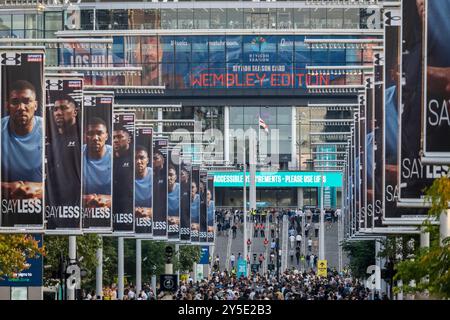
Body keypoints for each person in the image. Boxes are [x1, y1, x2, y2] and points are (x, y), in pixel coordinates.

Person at [2, 80, 43, 200]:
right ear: (7, 106)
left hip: (41, 210)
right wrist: (9, 188)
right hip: (5, 210)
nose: (21, 108)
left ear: (35, 105)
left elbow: (63, 182)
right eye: (15, 102)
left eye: (26, 101)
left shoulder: (49, 131)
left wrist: (39, 189)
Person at [46, 92, 81, 207]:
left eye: (64, 108)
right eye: (55, 109)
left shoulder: (82, 139)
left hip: (76, 205)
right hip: (54, 203)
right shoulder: (52, 141)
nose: (59, 113)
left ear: (75, 112)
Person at [82, 117, 112, 208]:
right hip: (83, 210)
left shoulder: (114, 156)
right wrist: (85, 199)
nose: (95, 138)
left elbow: (124, 194)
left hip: (109, 212)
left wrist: (107, 200)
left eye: (99, 133)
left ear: (106, 136)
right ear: (84, 136)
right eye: (90, 134)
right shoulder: (76, 155)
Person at [113, 124, 133, 215]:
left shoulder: (135, 158)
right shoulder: (109, 158)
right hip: (112, 207)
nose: (116, 140)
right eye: (114, 137)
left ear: (128, 139)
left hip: (128, 208)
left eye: (120, 137)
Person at [135, 146, 152, 219]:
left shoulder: (154, 176)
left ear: (147, 160)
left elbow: (161, 206)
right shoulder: (126, 176)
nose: (138, 161)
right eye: (135, 158)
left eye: (142, 158)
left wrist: (149, 212)